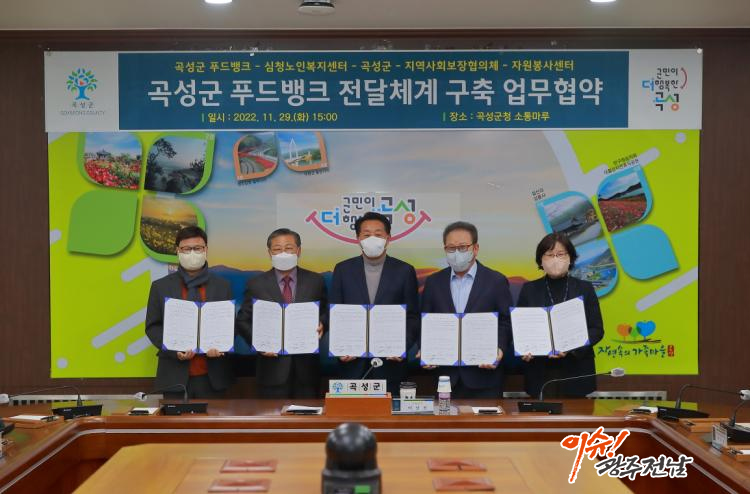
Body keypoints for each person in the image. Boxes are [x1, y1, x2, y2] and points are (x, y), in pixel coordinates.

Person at [329, 212, 420, 395]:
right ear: (358, 239)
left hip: (391, 364)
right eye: (366, 234)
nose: (372, 239)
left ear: (388, 238)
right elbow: (335, 313)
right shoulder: (342, 269)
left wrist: (402, 346)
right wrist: (340, 347)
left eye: (378, 234)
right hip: (351, 364)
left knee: (390, 413)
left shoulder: (404, 271)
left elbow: (412, 316)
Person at [420, 221, 512, 399]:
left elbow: (506, 321)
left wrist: (499, 348)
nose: (457, 253)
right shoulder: (434, 282)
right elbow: (424, 321)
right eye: (451, 248)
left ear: (475, 248)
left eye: (462, 247)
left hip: (484, 376)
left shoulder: (496, 281)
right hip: (445, 377)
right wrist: (425, 349)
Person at [236, 228, 327, 398]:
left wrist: (323, 323)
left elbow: (325, 312)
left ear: (298, 251)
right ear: (269, 253)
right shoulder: (256, 284)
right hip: (271, 370)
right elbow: (243, 320)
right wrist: (259, 343)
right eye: (277, 249)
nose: (283, 253)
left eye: (289, 248)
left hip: (307, 370)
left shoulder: (315, 281)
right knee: (272, 414)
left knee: (308, 414)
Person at [145, 226, 234, 399]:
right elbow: (153, 327)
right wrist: (174, 349)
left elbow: (231, 324)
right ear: (178, 251)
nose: (192, 253)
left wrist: (222, 346)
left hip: (213, 376)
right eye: (186, 249)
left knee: (213, 418)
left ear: (206, 250)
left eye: (197, 248)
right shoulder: (160, 287)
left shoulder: (222, 286)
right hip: (174, 376)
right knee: (175, 418)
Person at [517, 232, 604, 399]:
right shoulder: (529, 289)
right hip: (540, 371)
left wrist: (571, 347)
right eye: (549, 255)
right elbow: (519, 330)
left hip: (577, 370)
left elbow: (596, 330)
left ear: (570, 257)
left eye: (560, 254)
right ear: (541, 260)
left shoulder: (584, 288)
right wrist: (524, 348)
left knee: (576, 414)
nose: (555, 259)